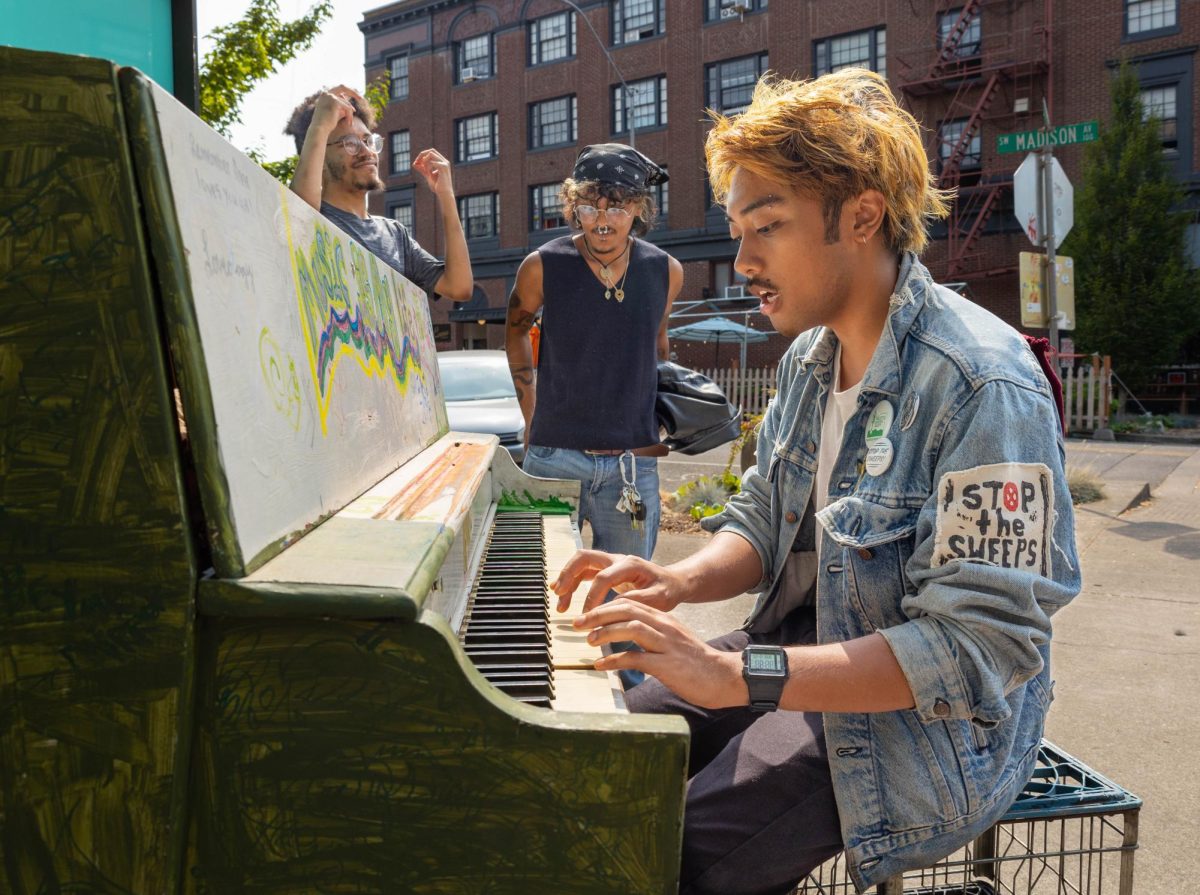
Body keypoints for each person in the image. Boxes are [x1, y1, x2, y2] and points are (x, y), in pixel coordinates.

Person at [553, 70, 1081, 894]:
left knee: (664, 857)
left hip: (919, 734)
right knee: (590, 766)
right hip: (802, 651)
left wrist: (736, 675)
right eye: (737, 228)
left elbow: (976, 647)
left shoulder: (982, 382)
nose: (743, 259)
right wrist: (673, 578)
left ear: (862, 214)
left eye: (767, 226)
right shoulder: (810, 356)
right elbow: (764, 513)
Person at [505, 143, 683, 563]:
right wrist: (531, 415)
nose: (602, 221)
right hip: (554, 458)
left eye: (617, 207)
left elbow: (657, 348)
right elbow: (515, 334)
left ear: (639, 207)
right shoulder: (542, 265)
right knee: (539, 587)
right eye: (590, 207)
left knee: (623, 598)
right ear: (573, 205)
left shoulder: (667, 271)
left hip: (632, 466)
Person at [285, 87, 473, 302]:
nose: (367, 152)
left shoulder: (394, 235)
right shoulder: (312, 218)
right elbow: (296, 221)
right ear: (319, 152)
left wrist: (446, 195)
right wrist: (319, 124)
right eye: (349, 144)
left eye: (368, 141)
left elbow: (459, 287)